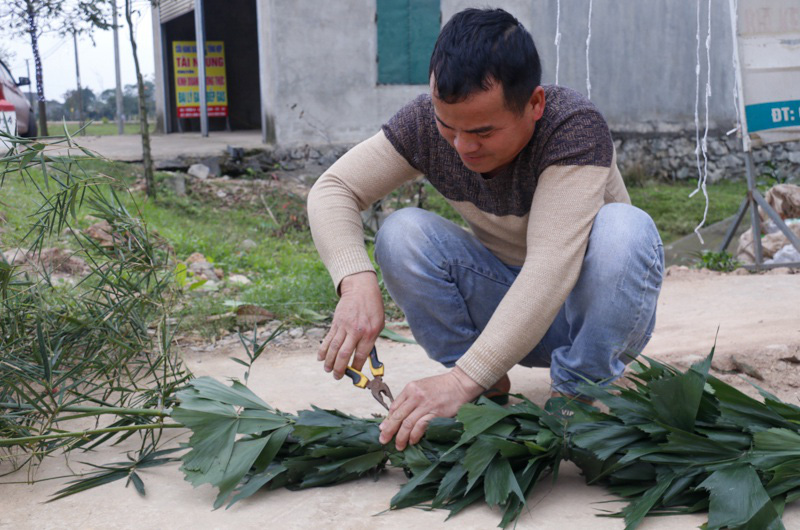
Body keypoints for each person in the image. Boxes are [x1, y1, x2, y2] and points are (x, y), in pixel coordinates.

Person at [307, 8, 663, 452]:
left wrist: (457, 380)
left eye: (481, 131)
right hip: (507, 305)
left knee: (624, 229)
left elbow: (551, 268)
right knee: (400, 234)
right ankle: (486, 389)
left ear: (534, 105)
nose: (461, 146)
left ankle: (580, 392)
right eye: (447, 126)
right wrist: (355, 282)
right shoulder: (427, 125)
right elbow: (333, 188)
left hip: (584, 314)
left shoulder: (573, 128)